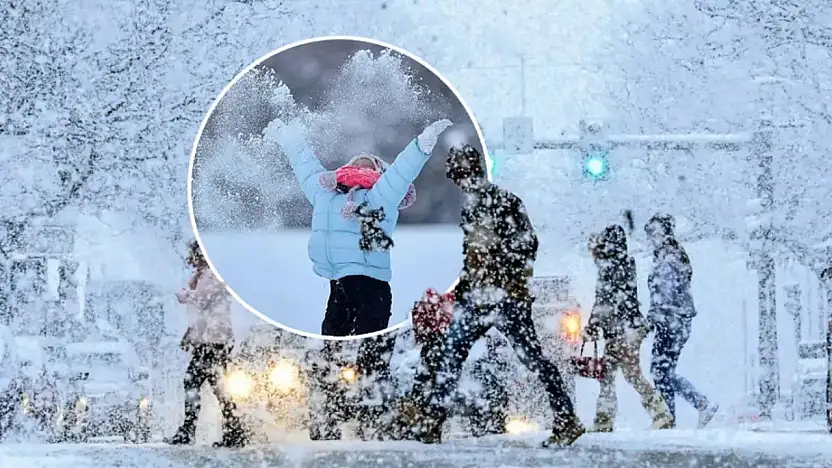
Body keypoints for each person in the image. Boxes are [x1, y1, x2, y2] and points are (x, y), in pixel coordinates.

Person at [407, 145, 585, 447]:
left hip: (502, 297)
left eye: (460, 173)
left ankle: (566, 418)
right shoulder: (475, 206)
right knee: (457, 357)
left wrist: (500, 269)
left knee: (514, 359)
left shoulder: (502, 202)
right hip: (483, 298)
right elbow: (475, 258)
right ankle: (432, 423)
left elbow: (528, 245)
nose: (460, 182)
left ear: (470, 171)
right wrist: (465, 287)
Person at [264, 117, 453, 338]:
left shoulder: (381, 195)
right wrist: (290, 139)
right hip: (338, 286)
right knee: (332, 347)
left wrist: (421, 146)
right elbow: (306, 167)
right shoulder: (326, 193)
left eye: (369, 166)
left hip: (371, 288)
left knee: (368, 354)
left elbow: (401, 171)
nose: (361, 168)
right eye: (356, 164)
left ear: (381, 173)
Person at [583, 225, 673, 432]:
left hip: (625, 329)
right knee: (609, 372)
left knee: (629, 373)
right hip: (625, 328)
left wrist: (593, 324)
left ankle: (660, 413)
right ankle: (605, 418)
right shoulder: (622, 263)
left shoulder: (611, 267)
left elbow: (604, 301)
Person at [165, 239, 248, 447]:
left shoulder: (212, 275)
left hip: (214, 341)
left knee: (194, 382)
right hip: (209, 340)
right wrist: (190, 335)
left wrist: (184, 294)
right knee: (217, 386)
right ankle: (234, 429)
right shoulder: (201, 276)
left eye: (195, 254)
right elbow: (200, 313)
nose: (192, 259)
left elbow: (202, 301)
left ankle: (192, 430)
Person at [645, 213, 719, 428]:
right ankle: (679, 413)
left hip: (670, 322)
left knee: (661, 371)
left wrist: (652, 319)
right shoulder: (673, 256)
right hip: (677, 322)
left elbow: (665, 296)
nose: (650, 240)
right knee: (664, 372)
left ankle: (681, 412)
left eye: (653, 234)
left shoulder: (668, 259)